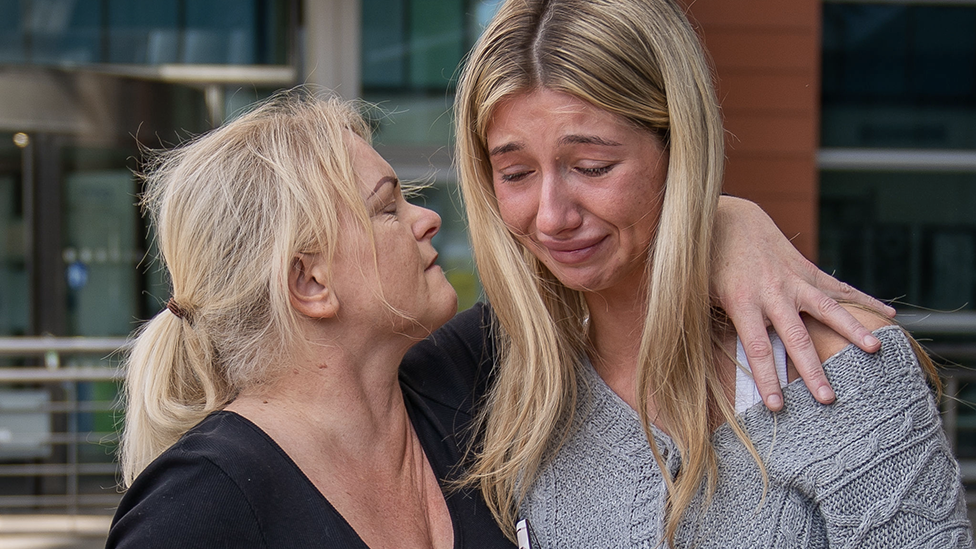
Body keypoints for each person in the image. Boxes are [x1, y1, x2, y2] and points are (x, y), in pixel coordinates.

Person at [453, 0, 974, 547]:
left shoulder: (839, 365)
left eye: (592, 168)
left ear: (679, 148)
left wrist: (721, 213)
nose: (552, 216)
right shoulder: (519, 387)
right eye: (515, 174)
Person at [106, 93, 512, 548]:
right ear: (309, 281)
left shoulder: (464, 377)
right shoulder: (199, 504)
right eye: (387, 209)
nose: (429, 219)